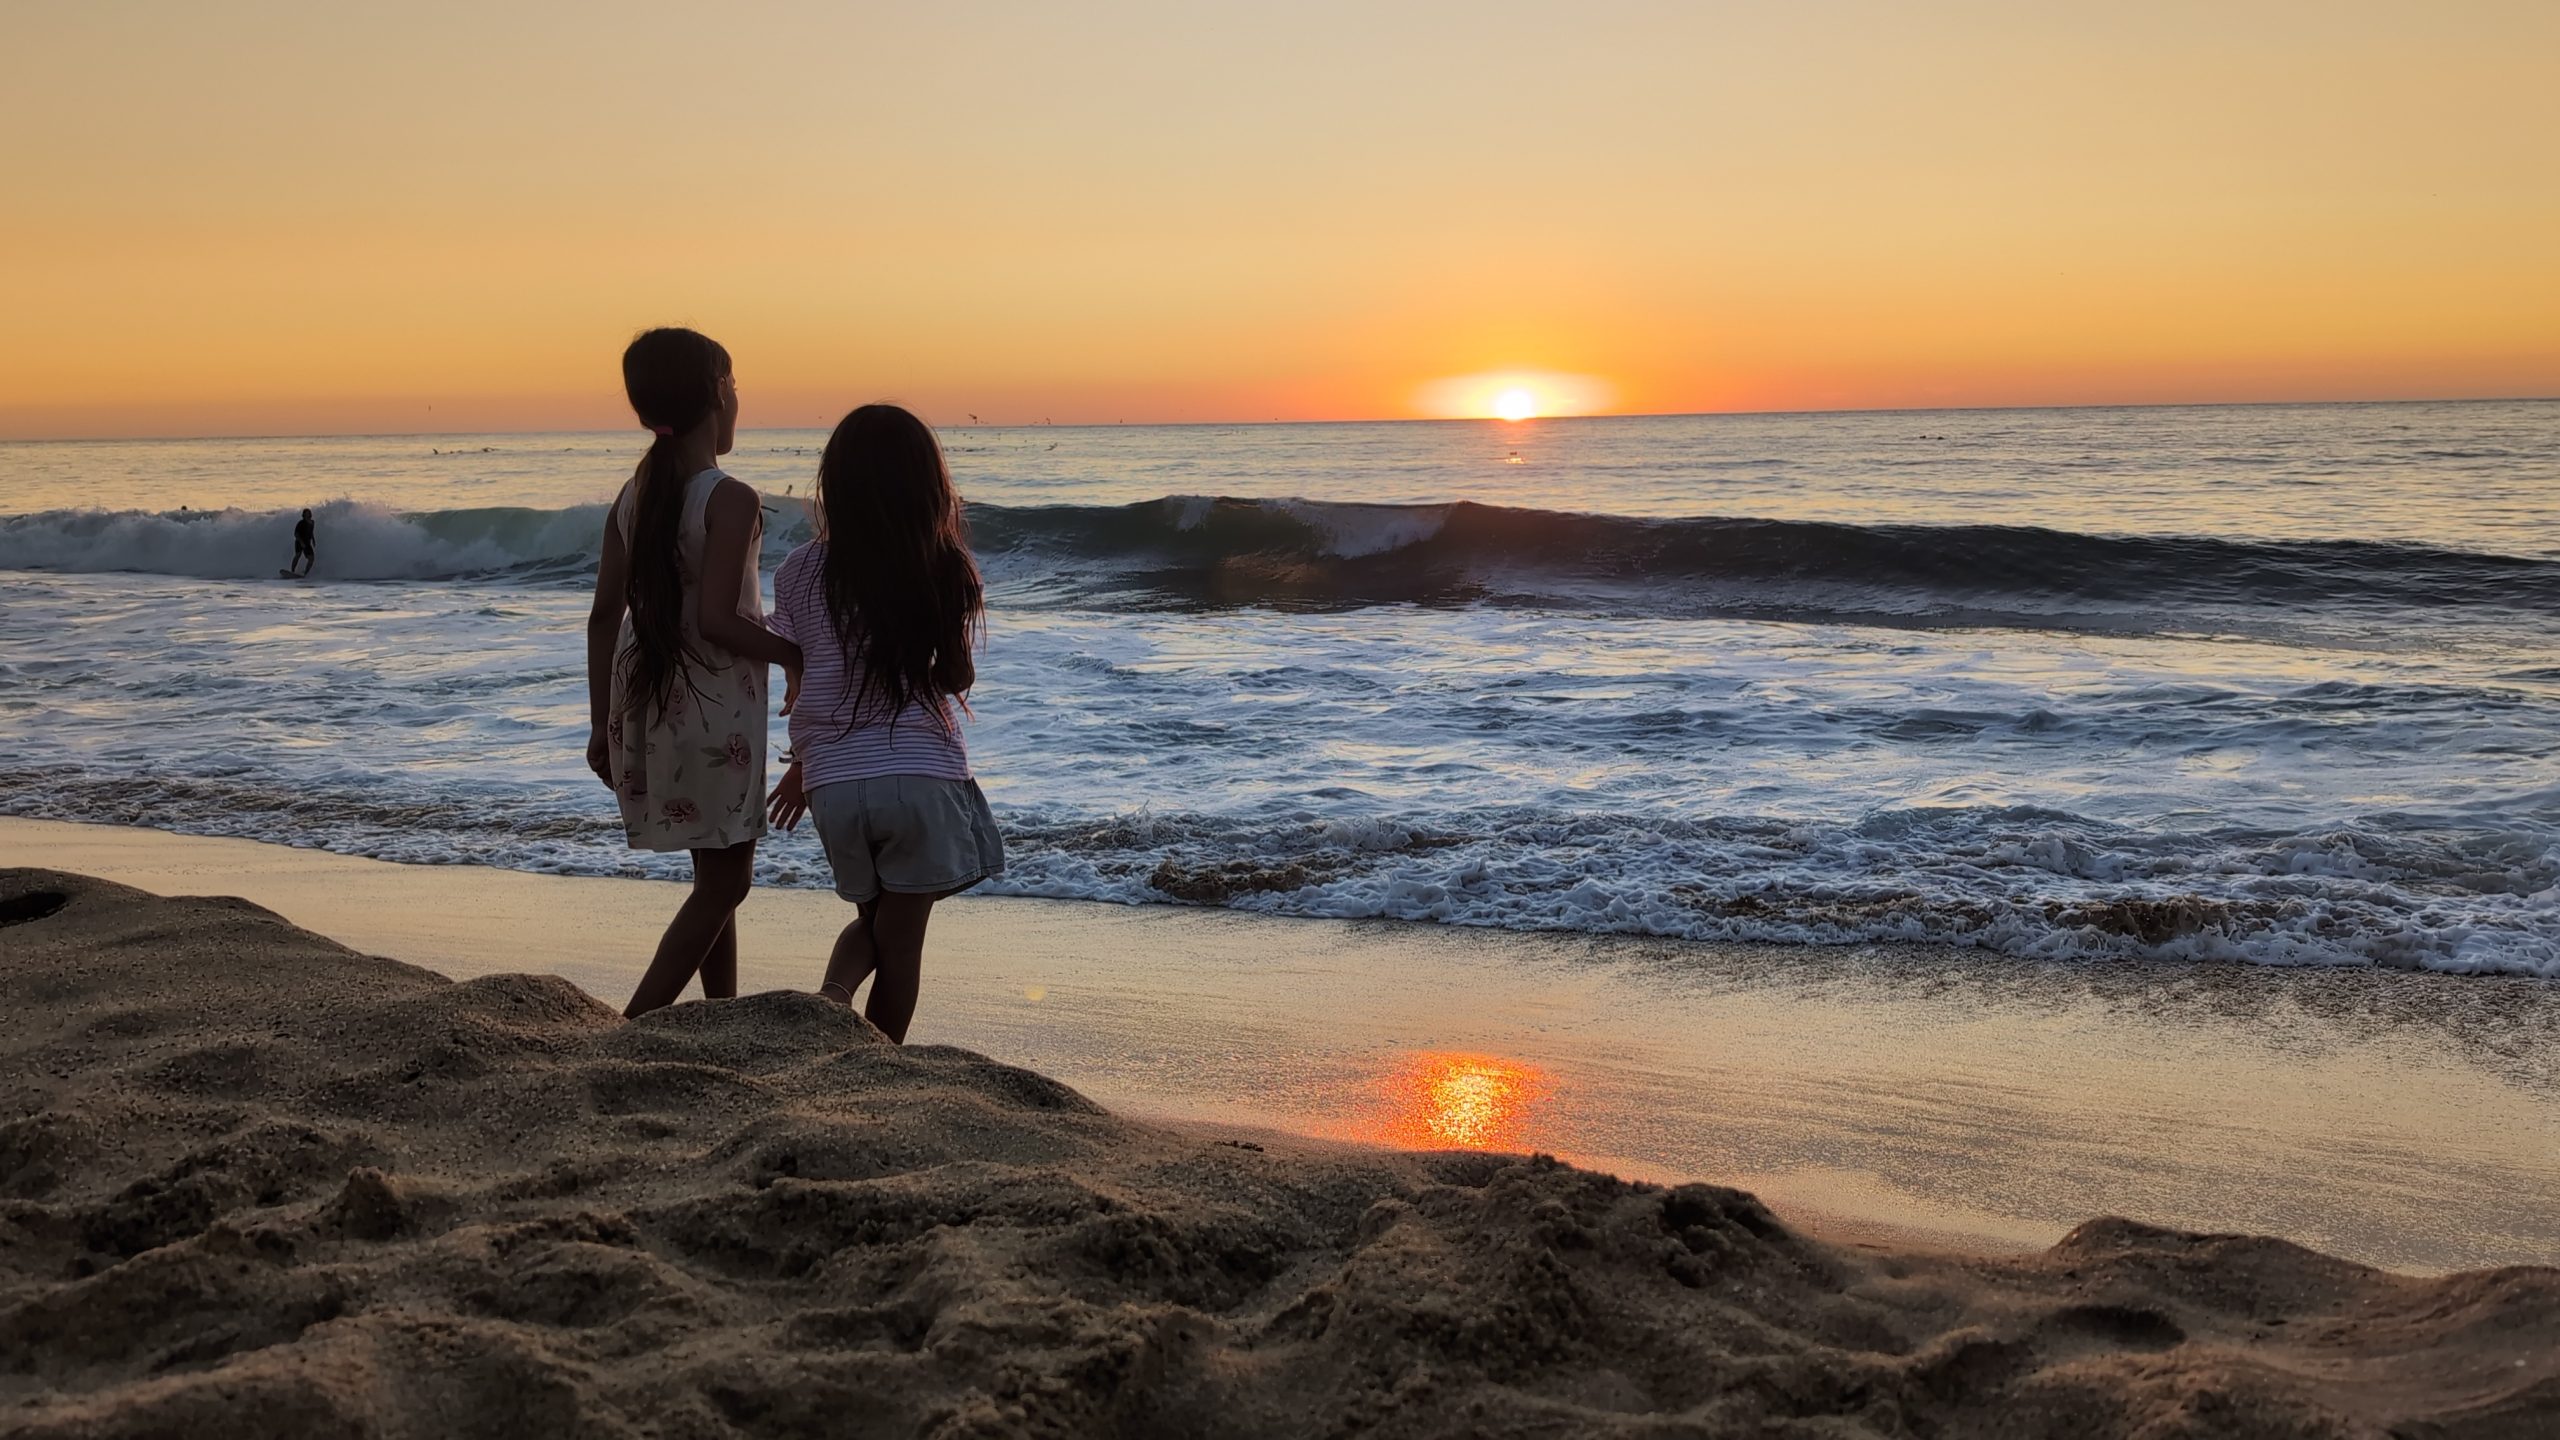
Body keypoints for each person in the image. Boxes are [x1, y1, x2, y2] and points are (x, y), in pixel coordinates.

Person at [764, 404, 1001, 1043]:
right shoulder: (942, 564)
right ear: (929, 483)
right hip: (918, 776)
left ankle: (832, 1001)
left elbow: (806, 666)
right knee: (902, 944)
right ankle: (880, 1060)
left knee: (874, 922)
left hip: (833, 788)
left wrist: (804, 764)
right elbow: (954, 678)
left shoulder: (797, 571)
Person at [583, 328, 800, 1018]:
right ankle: (636, 1023)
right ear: (716, 392)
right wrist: (797, 655)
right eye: (733, 382)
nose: (739, 396)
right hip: (712, 700)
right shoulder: (728, 495)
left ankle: (720, 1015)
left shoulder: (636, 493)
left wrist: (600, 726)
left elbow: (601, 617)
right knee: (728, 878)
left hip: (644, 693)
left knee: (711, 867)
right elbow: (717, 619)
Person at [288, 509, 316, 576]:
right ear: (304, 514)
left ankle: (305, 573)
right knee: (298, 555)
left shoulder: (312, 522)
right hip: (299, 541)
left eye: (309, 513)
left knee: (311, 559)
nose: (308, 514)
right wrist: (301, 542)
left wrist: (313, 540)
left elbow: (311, 532)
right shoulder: (301, 523)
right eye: (306, 513)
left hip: (307, 543)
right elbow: (296, 534)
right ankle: (292, 571)